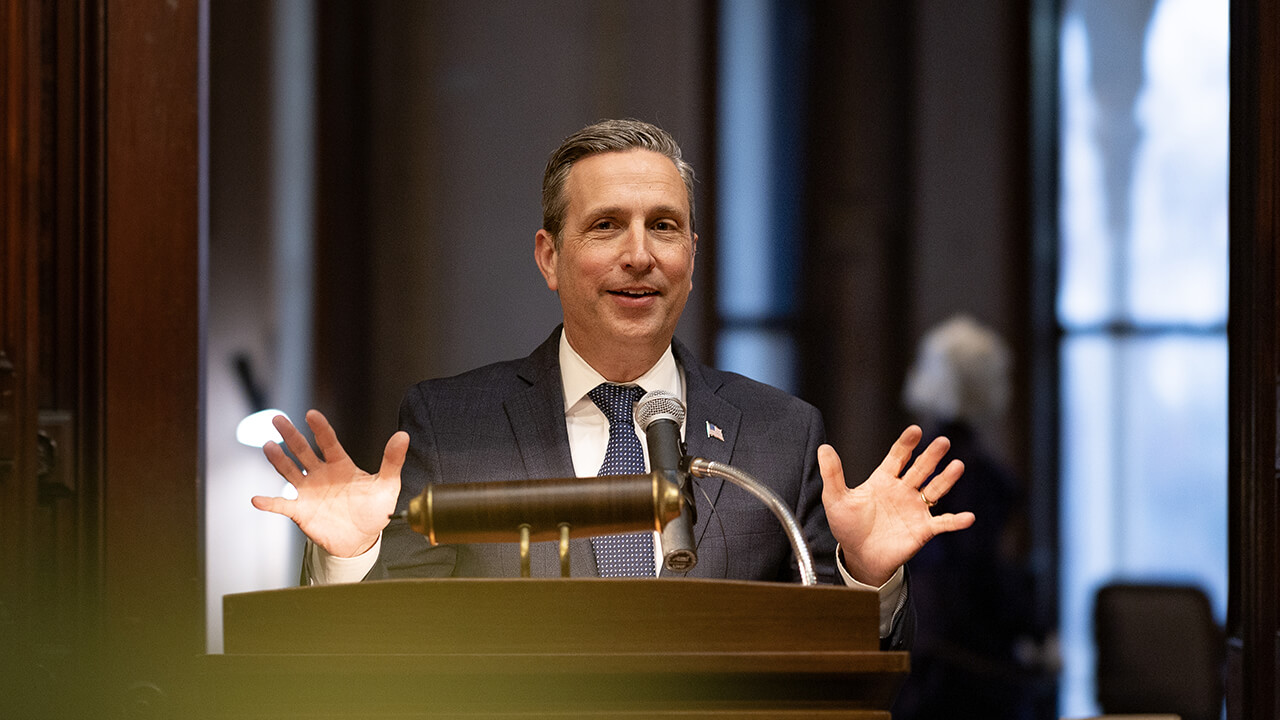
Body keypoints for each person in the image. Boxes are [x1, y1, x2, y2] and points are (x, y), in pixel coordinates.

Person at [251, 119, 974, 650]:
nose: (639, 255)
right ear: (550, 257)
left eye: (664, 226)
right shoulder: (452, 424)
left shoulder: (779, 434)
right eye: (605, 226)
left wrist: (865, 576)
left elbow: (838, 658)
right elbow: (394, 650)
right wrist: (352, 558)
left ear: (692, 254)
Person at [893, 315, 1050, 717]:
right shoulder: (978, 474)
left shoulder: (913, 461)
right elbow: (980, 569)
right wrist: (1037, 628)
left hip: (920, 641)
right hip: (961, 660)